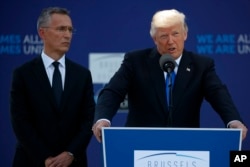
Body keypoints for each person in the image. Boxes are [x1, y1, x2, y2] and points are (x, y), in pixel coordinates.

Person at [92, 9, 248, 143]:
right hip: (140, 144)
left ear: (185, 34)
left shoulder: (201, 66)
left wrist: (233, 120)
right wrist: (102, 119)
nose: (171, 41)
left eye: (175, 34)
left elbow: (218, 94)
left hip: (186, 146)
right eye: (164, 36)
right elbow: (112, 92)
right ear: (154, 39)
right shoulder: (135, 61)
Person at [10, 7, 95, 167]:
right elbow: (20, 121)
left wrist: (70, 153)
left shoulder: (82, 75)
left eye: (70, 30)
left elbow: (87, 121)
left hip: (73, 163)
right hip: (32, 161)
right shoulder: (23, 74)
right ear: (42, 33)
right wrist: (45, 158)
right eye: (61, 29)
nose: (67, 35)